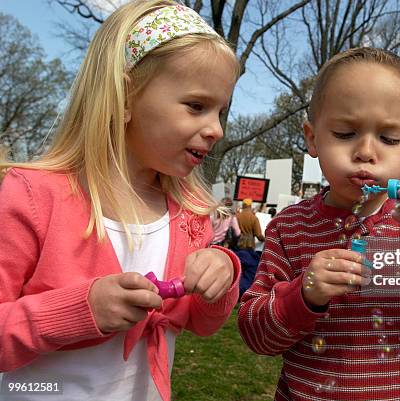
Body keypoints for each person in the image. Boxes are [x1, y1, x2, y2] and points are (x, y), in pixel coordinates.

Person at [0, 2, 241, 401]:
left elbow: (200, 322)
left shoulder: (190, 216)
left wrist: (222, 277)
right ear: (125, 95)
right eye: (197, 106)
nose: (215, 129)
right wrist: (79, 311)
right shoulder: (33, 195)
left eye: (221, 111)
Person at [237, 47, 400, 401]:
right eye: (345, 133)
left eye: (389, 139)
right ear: (312, 138)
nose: (366, 151)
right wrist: (304, 294)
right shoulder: (290, 227)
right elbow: (256, 335)